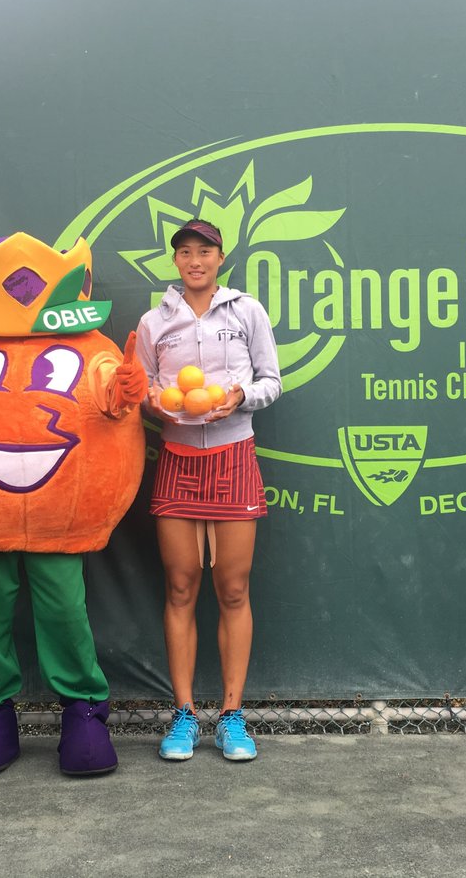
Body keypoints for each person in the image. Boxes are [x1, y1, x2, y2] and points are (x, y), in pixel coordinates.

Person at [135, 218, 282, 762]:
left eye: (205, 251)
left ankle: (232, 716)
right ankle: (183, 716)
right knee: (179, 588)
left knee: (234, 590)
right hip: (177, 460)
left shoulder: (247, 311)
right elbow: (142, 389)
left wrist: (239, 396)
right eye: (185, 252)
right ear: (175, 261)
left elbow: (272, 381)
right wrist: (156, 402)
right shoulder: (154, 321)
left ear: (221, 257)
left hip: (235, 457)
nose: (195, 261)